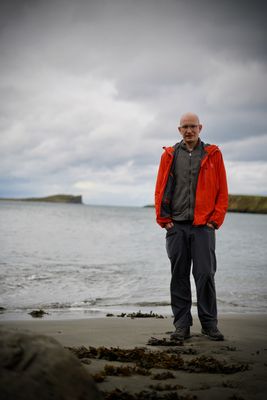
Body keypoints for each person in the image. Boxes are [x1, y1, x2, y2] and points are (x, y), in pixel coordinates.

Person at [154, 112, 228, 341]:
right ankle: (182, 326)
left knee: (205, 274)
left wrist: (214, 221)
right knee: (179, 276)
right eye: (185, 126)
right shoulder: (169, 155)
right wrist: (164, 220)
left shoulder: (212, 154)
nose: (189, 130)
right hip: (176, 226)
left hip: (203, 227)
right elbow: (159, 188)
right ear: (179, 130)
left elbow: (222, 191)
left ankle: (209, 325)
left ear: (200, 128)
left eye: (193, 126)